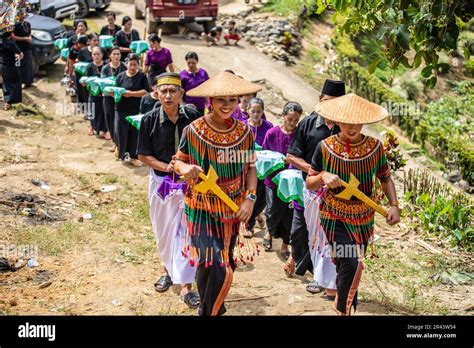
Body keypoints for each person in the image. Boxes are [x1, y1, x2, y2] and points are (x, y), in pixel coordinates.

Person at [306, 93, 400, 316]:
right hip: (333, 215)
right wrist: (323, 177)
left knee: (348, 266)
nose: (351, 127)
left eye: (357, 122)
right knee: (351, 261)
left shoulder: (375, 148)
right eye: (347, 122)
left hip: (364, 219)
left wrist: (394, 205)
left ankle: (347, 304)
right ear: (337, 120)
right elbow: (310, 182)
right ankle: (342, 310)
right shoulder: (324, 147)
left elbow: (385, 178)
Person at [174, 71, 260, 316]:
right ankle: (210, 311)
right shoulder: (193, 130)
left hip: (232, 209)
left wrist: (250, 199)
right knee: (215, 262)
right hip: (200, 207)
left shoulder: (244, 134)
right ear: (210, 100)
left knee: (219, 262)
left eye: (232, 100)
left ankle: (211, 306)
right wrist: (186, 168)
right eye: (221, 100)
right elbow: (177, 163)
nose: (227, 105)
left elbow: (251, 169)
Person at [137, 73, 200, 308]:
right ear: (156, 93)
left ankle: (186, 285)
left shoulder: (192, 117)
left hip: (189, 184)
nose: (168, 95)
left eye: (173, 91)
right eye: (163, 91)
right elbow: (143, 155)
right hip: (162, 183)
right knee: (163, 230)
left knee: (186, 231)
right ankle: (167, 270)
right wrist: (168, 167)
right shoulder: (149, 120)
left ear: (181, 94)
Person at [286, 79, 345, 297]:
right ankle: (318, 276)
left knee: (334, 235)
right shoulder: (308, 124)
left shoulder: (346, 127)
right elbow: (292, 156)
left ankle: (330, 279)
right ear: (320, 99)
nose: (331, 107)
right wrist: (316, 172)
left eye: (336, 103)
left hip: (340, 194)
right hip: (312, 191)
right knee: (312, 234)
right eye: (328, 101)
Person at [260, 102, 302, 257]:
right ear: (283, 116)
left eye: (296, 120)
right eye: (290, 119)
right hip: (273, 179)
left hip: (291, 181)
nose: (292, 123)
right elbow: (264, 154)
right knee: (272, 210)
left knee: (288, 214)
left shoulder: (299, 134)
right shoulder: (272, 133)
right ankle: (269, 232)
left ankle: (285, 244)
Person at [243, 98, 272, 238]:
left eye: (259, 111)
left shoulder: (268, 126)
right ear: (247, 110)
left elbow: (271, 146)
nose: (255, 114)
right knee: (250, 195)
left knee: (262, 199)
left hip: (263, 168)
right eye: (253, 111)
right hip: (245, 167)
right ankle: (249, 224)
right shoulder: (242, 126)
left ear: (263, 111)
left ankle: (257, 214)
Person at [114, 53, 149, 166]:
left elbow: (145, 92)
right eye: (131, 64)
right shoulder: (120, 76)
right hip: (120, 108)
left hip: (135, 109)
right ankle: (121, 152)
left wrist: (131, 94)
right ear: (126, 64)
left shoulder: (142, 77)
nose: (133, 67)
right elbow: (115, 90)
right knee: (121, 132)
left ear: (138, 65)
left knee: (134, 134)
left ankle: (134, 157)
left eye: (135, 65)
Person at [101, 46, 127, 147]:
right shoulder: (105, 68)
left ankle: (119, 142)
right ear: (110, 56)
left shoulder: (124, 66)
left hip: (121, 97)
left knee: (120, 120)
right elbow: (103, 84)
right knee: (109, 118)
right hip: (108, 97)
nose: (116, 56)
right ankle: (114, 141)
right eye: (114, 54)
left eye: (118, 54)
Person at [83, 46, 107, 138]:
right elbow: (86, 80)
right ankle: (92, 127)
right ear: (91, 55)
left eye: (98, 54)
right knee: (93, 111)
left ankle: (104, 130)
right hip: (93, 92)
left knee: (103, 111)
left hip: (104, 93)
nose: (96, 56)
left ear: (102, 55)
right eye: (94, 54)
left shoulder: (106, 65)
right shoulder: (89, 66)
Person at [179, 51, 209, 117]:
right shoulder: (182, 74)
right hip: (188, 106)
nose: (191, 65)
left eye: (193, 63)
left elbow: (207, 90)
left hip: (200, 105)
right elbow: (179, 91)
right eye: (188, 63)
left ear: (197, 62)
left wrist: (208, 105)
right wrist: (182, 105)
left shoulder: (203, 73)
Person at [0, 30, 23, 110]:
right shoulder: (11, 43)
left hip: (2, 65)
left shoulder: (1, 41)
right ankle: (13, 101)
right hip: (11, 66)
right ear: (11, 35)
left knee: (6, 83)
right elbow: (20, 54)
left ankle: (7, 102)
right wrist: (18, 56)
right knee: (16, 81)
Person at [13, 6, 33, 88]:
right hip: (19, 47)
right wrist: (24, 39)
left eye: (24, 13)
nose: (23, 15)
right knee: (20, 65)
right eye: (21, 14)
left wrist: (29, 38)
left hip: (27, 47)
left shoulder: (27, 24)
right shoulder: (15, 25)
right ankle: (21, 82)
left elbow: (29, 34)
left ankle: (29, 81)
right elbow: (13, 37)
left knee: (28, 64)